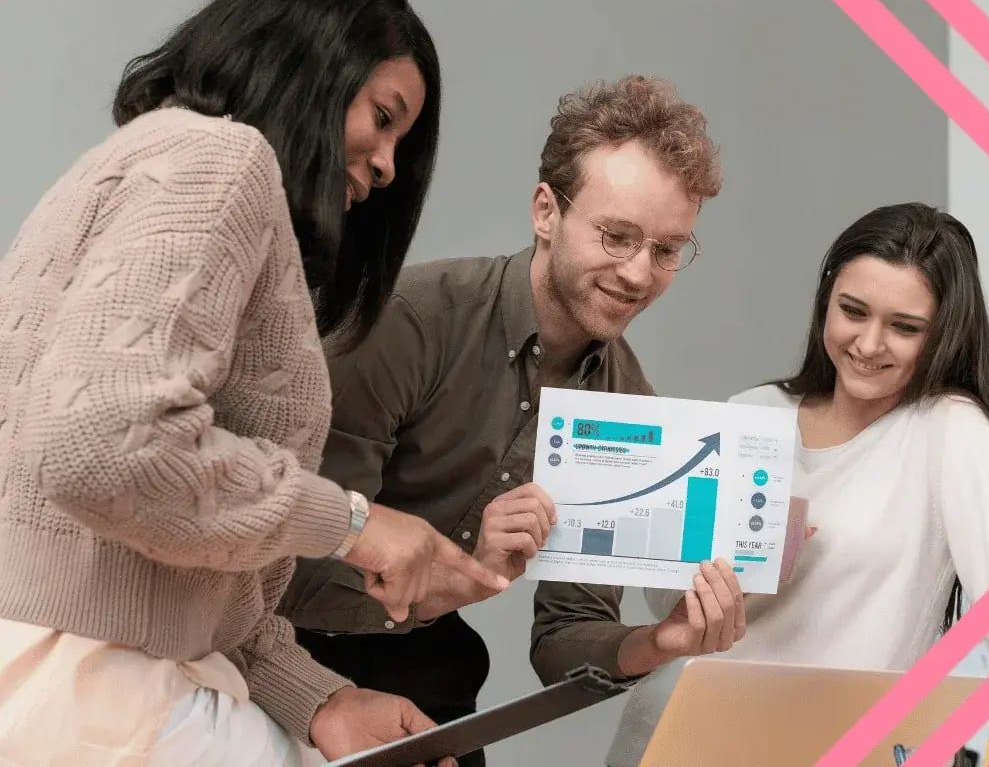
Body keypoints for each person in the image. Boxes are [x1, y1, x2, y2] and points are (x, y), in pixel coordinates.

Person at [0, 0, 508, 765]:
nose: (386, 167)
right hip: (98, 693)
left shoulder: (136, 163)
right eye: (383, 118)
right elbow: (105, 445)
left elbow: (180, 553)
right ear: (306, 63)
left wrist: (321, 701)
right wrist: (355, 526)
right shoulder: (221, 160)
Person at [278, 75, 746, 767]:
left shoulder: (630, 409)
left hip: (426, 671)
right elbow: (288, 559)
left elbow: (567, 633)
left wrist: (659, 642)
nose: (639, 274)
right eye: (616, 236)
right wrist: (459, 575)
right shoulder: (406, 324)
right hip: (277, 656)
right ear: (546, 211)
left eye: (667, 249)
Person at [531, 202, 989, 767]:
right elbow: (670, 602)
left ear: (945, 332)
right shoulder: (755, 412)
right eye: (853, 311)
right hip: (677, 739)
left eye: (904, 327)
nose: (869, 344)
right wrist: (740, 576)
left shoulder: (951, 433)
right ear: (827, 299)